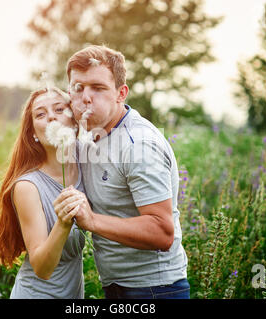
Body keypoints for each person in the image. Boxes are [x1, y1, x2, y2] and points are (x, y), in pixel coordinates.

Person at [54, 45, 190, 299]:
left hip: (154, 291)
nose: (86, 97)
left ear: (121, 93)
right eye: (78, 88)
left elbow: (162, 232)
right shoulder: (89, 134)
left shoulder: (138, 144)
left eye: (98, 87)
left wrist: (91, 221)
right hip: (117, 288)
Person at [0, 87, 85, 299]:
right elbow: (42, 269)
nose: (51, 116)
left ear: (74, 120)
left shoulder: (85, 163)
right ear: (33, 132)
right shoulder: (27, 187)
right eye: (40, 114)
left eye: (59, 109)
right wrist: (62, 224)